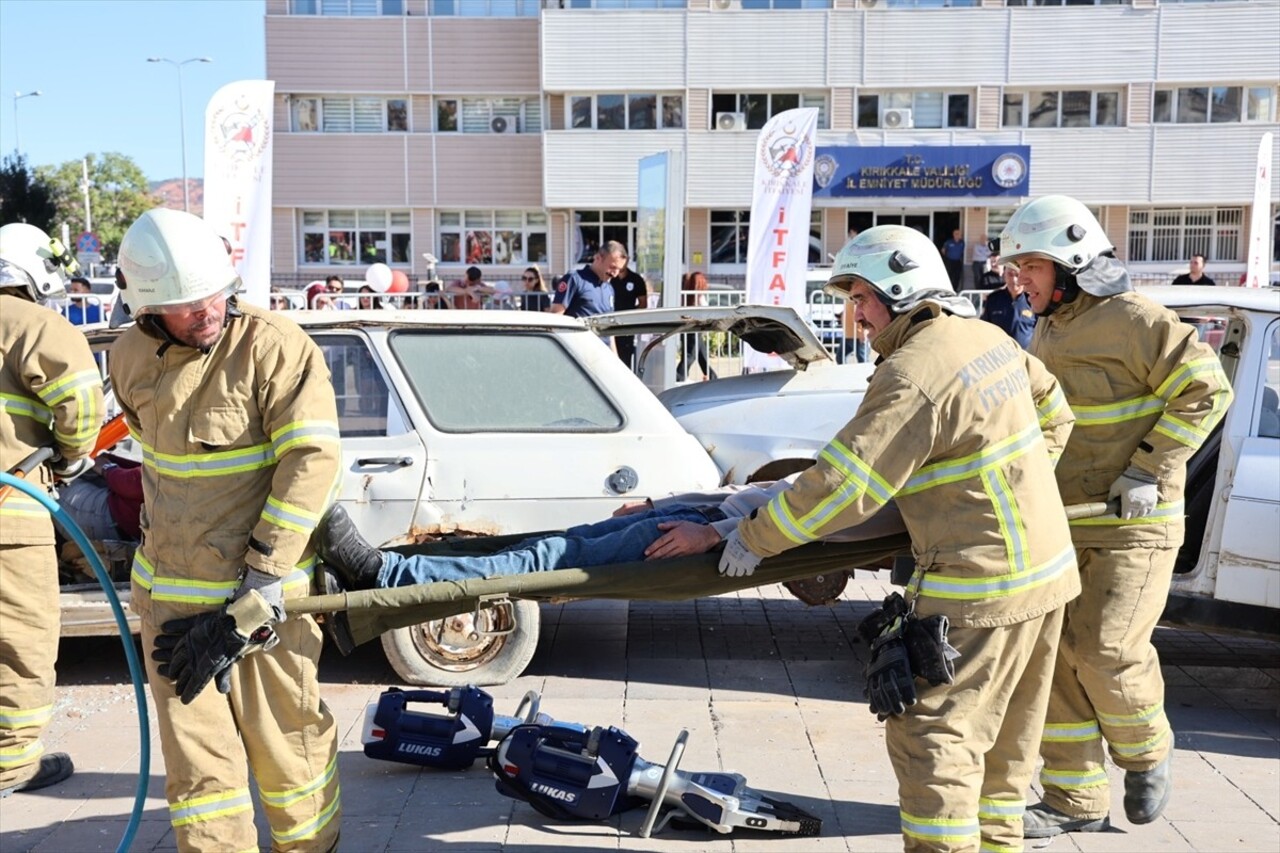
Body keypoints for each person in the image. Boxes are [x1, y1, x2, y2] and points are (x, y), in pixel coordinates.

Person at [718, 224, 1080, 853]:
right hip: (1046, 574)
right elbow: (1056, 409)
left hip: (980, 590)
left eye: (860, 299)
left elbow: (841, 485)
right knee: (1000, 753)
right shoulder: (985, 337)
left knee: (933, 738)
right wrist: (1014, 491)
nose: (853, 315)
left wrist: (758, 536)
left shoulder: (914, 374)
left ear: (899, 291)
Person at [998, 195, 1233, 838]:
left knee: (1104, 648)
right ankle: (1073, 798)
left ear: (1071, 263)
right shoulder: (1048, 323)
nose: (1018, 279)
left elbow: (1207, 389)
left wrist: (1148, 471)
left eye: (1031, 266)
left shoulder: (1137, 320)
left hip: (1135, 523)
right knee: (1055, 657)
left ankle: (1147, 751)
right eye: (1016, 266)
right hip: (1068, 519)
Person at [111, 208, 342, 851]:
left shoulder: (272, 345)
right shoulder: (129, 357)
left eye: (213, 293)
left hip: (261, 604)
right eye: (185, 306)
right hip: (172, 606)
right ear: (148, 307)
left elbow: (313, 459)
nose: (205, 311)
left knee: (288, 752)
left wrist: (265, 573)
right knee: (198, 775)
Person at [0, 223, 104, 797]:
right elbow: (83, 406)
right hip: (11, 513)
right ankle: (13, 764)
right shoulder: (36, 324)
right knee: (21, 640)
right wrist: (67, 459)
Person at [56, 455, 144, 543]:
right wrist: (108, 458)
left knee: (54, 488)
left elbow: (132, 483)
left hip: (104, 517)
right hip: (128, 528)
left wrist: (106, 468)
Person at [549, 241, 624, 318]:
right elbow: (555, 317)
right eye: (612, 267)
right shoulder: (574, 279)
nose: (615, 274)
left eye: (619, 270)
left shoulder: (609, 288)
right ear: (598, 258)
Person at [980, 262, 1036, 349]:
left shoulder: (1033, 301)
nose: (1014, 280)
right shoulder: (993, 299)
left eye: (1017, 275)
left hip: (1025, 356)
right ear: (1004, 276)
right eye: (1010, 274)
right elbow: (984, 327)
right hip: (999, 355)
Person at [675, 271, 717, 382]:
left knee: (701, 355)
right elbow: (706, 309)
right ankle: (679, 377)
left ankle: (712, 377)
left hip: (688, 327)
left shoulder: (686, 295)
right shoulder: (698, 297)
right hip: (695, 328)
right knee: (690, 355)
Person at [610, 251, 649, 368]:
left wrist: (630, 315)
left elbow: (643, 303)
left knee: (625, 356)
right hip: (609, 323)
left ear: (627, 259)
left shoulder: (636, 279)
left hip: (626, 326)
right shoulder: (609, 278)